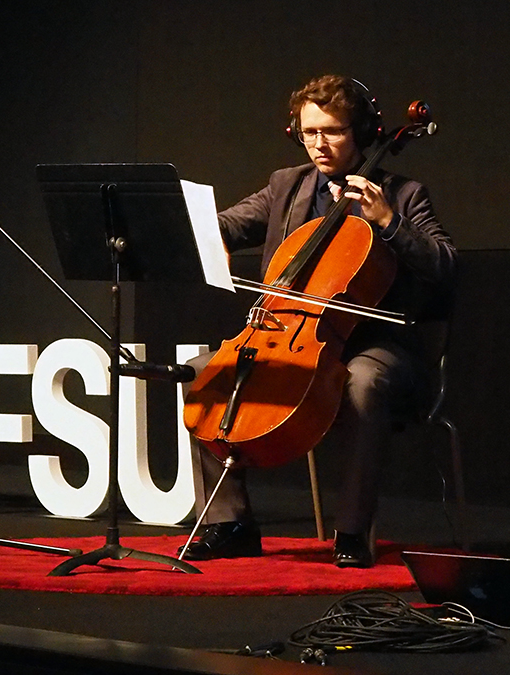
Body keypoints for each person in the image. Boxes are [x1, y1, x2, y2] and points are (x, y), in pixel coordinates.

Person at [178, 74, 457, 568]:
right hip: (295, 335)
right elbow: (228, 223)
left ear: (364, 132)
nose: (319, 144)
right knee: (204, 372)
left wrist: (388, 222)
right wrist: (202, 230)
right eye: (309, 132)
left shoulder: (405, 193)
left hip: (377, 344)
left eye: (332, 131)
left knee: (363, 383)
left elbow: (444, 264)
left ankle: (351, 533)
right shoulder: (287, 186)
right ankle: (230, 523)